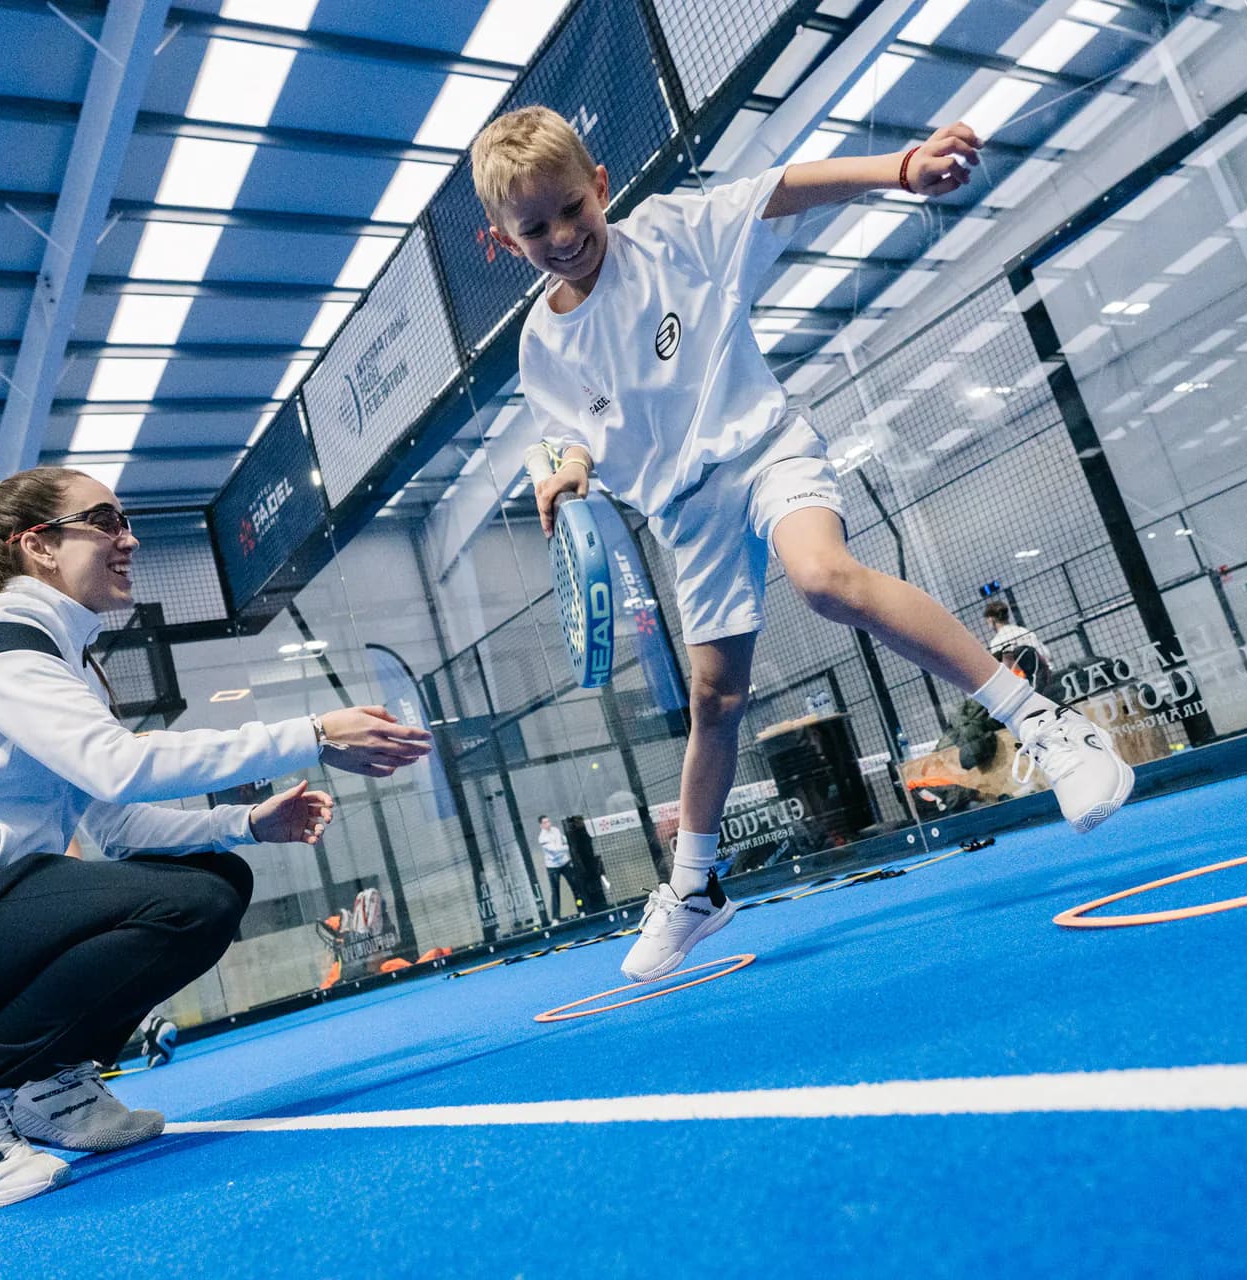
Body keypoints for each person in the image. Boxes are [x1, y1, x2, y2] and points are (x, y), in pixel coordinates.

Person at [470, 107, 1134, 983]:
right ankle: (697, 887)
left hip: (763, 448)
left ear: (600, 189)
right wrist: (563, 472)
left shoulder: (674, 234)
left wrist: (900, 168)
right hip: (683, 514)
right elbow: (568, 437)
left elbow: (781, 188)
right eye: (534, 229)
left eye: (571, 211)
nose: (560, 236)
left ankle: (1051, 728)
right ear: (502, 242)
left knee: (822, 576)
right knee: (715, 701)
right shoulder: (539, 345)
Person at [0, 466, 433, 1212]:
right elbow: (117, 769)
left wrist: (245, 824)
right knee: (187, 903)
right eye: (105, 521)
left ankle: (49, 1084)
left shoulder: (59, 658)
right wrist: (308, 732)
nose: (129, 537)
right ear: (38, 546)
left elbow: (113, 827)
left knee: (216, 882)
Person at [982, 598, 1051, 693]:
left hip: (1022, 686)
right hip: (1044, 677)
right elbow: (1046, 654)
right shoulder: (1023, 631)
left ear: (991, 619)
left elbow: (1004, 670)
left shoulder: (996, 642)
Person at [536, 814, 586, 917]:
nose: (548, 824)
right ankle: (556, 918)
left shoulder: (556, 830)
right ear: (541, 825)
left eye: (548, 821)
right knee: (555, 892)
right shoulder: (542, 838)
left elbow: (564, 841)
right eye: (545, 823)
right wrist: (567, 848)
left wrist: (566, 845)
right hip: (553, 867)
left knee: (575, 887)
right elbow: (555, 850)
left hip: (565, 863)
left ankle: (582, 910)